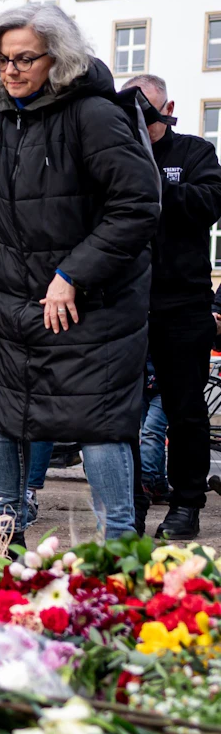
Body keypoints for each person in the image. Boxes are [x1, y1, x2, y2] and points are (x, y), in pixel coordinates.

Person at [0, 4, 160, 542]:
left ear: (58, 59)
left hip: (93, 306)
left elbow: (137, 205)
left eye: (25, 59)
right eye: (1, 62)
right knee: (0, 419)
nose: (12, 72)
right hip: (15, 301)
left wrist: (73, 273)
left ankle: (117, 554)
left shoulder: (94, 114)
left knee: (99, 426)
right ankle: (1, 540)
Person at [121, 74, 221, 539]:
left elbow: (210, 201)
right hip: (125, 303)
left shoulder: (195, 152)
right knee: (122, 413)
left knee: (185, 413)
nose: (147, 124)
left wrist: (152, 188)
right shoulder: (115, 151)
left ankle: (185, 505)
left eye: (153, 115)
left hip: (184, 304)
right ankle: (131, 506)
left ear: (169, 106)